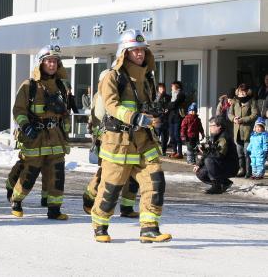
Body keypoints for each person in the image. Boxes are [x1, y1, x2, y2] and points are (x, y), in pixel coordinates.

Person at [90, 29, 171, 243]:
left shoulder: (147, 79)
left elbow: (148, 106)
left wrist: (153, 114)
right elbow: (111, 105)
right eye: (134, 50)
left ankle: (149, 228)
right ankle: (100, 224)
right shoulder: (112, 77)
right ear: (124, 52)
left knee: (155, 181)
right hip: (118, 142)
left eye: (142, 50)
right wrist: (135, 117)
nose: (139, 54)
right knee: (112, 188)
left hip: (144, 140)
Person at [10, 44, 70, 220]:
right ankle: (16, 201)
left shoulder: (60, 86)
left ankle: (54, 209)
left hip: (56, 137)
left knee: (57, 175)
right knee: (30, 174)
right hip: (35, 137)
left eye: (55, 61)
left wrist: (65, 135)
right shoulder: (29, 86)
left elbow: (64, 113)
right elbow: (18, 110)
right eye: (48, 61)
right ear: (40, 63)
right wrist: (25, 126)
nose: (52, 65)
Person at [83, 70, 139, 219]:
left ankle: (127, 207)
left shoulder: (121, 93)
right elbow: (100, 117)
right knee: (107, 173)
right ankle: (90, 196)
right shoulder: (101, 96)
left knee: (131, 172)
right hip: (108, 141)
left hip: (128, 139)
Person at [194, 116, 238, 193]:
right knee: (200, 173)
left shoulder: (224, 137)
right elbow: (210, 152)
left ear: (219, 126)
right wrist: (199, 164)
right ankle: (224, 183)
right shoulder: (214, 136)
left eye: (212, 126)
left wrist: (206, 152)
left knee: (209, 160)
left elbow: (219, 155)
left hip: (230, 166)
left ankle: (217, 186)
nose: (210, 128)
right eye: (210, 125)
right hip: (221, 164)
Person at [228, 83, 258, 178]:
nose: (242, 93)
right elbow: (229, 113)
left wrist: (243, 119)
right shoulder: (235, 101)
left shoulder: (252, 101)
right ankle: (241, 169)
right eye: (241, 92)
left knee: (247, 152)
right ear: (238, 92)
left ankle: (249, 171)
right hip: (237, 131)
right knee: (239, 152)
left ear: (247, 92)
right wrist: (234, 119)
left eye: (244, 91)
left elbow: (255, 114)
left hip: (247, 131)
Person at [167, 81, 186, 158]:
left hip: (178, 118)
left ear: (176, 86)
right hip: (171, 118)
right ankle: (174, 151)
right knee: (172, 135)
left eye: (172, 86)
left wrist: (170, 105)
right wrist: (170, 105)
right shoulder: (172, 95)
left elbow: (174, 104)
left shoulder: (181, 94)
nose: (171, 88)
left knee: (177, 135)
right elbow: (169, 105)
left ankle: (180, 153)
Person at [155, 83, 171, 156]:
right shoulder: (155, 97)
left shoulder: (168, 97)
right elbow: (153, 107)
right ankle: (156, 150)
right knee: (156, 136)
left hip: (166, 119)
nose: (163, 90)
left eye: (163, 88)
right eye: (161, 88)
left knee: (165, 137)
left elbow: (171, 106)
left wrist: (168, 110)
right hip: (158, 119)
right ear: (158, 89)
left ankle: (163, 151)